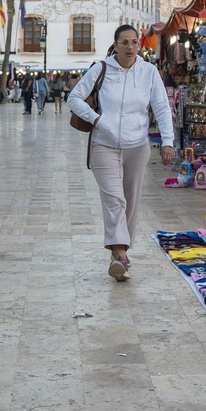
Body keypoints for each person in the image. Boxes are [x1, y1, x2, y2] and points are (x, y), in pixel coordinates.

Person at [68, 25, 175, 282]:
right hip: (104, 145)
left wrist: (168, 141)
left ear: (139, 46)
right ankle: (120, 255)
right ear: (115, 45)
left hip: (137, 146)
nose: (130, 47)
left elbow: (161, 106)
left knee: (131, 200)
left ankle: (120, 251)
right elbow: (74, 98)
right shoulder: (101, 69)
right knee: (114, 199)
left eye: (134, 42)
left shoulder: (149, 72)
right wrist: (97, 120)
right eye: (124, 42)